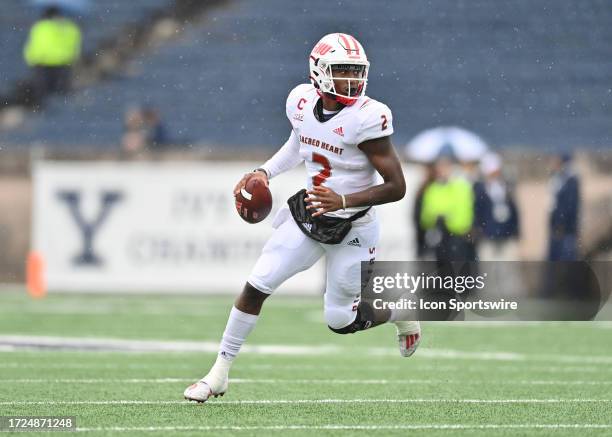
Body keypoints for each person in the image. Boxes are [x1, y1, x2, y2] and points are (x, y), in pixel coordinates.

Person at [184, 33, 420, 403]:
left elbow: (397, 186)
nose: (351, 80)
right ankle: (218, 373)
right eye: (341, 71)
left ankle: (397, 312)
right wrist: (265, 172)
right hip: (309, 213)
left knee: (339, 320)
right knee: (257, 284)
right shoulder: (300, 101)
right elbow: (300, 141)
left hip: (355, 224)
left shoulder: (367, 118)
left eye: (356, 72)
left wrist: (343, 198)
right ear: (319, 71)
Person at [23, 6, 81, 100]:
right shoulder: (70, 27)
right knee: (61, 92)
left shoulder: (40, 26)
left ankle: (43, 109)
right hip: (64, 62)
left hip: (42, 62)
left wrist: (30, 59)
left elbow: (32, 45)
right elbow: (75, 45)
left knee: (42, 91)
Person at [473, 153, 520, 260]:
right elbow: (478, 211)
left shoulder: (507, 186)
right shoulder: (480, 189)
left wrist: (515, 230)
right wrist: (479, 230)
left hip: (506, 233)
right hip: (488, 235)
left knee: (508, 268)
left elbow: (514, 210)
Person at [548, 152, 580, 261]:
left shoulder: (570, 181)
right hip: (558, 228)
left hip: (565, 230)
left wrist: (560, 224)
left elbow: (569, 207)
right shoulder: (558, 179)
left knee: (566, 259)